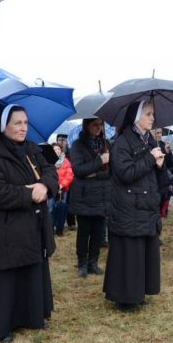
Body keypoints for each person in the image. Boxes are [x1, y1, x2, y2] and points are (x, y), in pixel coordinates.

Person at [0, 104, 58, 343]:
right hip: (6, 226)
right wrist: (28, 194)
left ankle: (33, 316)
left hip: (32, 225)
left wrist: (45, 186)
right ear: (4, 126)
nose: (23, 127)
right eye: (17, 123)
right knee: (8, 276)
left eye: (25, 122)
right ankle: (3, 326)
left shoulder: (32, 149)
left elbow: (50, 171)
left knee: (32, 270)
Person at [103, 101, 164, 313]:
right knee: (128, 254)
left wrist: (159, 164)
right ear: (136, 117)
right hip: (128, 206)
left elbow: (150, 172)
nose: (152, 118)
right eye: (148, 114)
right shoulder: (122, 142)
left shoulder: (148, 141)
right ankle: (124, 297)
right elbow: (125, 173)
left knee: (142, 253)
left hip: (144, 206)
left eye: (153, 114)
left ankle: (138, 293)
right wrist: (150, 158)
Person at [69, 117, 111, 277]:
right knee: (84, 231)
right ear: (86, 125)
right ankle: (82, 263)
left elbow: (111, 171)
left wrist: (94, 174)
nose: (98, 127)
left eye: (101, 124)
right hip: (84, 197)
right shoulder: (77, 146)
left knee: (97, 232)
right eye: (95, 124)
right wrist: (100, 161)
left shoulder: (106, 144)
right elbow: (78, 170)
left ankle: (93, 262)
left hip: (102, 195)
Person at [51, 143, 73, 236]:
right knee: (51, 208)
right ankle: (51, 228)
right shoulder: (48, 161)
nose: (57, 151)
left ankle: (60, 228)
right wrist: (55, 185)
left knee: (62, 208)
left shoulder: (66, 161)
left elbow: (69, 175)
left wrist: (61, 185)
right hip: (51, 188)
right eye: (55, 149)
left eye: (59, 149)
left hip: (63, 189)